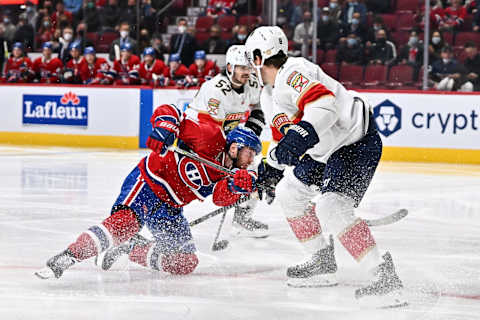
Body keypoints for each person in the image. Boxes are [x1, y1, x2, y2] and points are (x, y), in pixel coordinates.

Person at [245, 26, 406, 306]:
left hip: (354, 142)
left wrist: (301, 135)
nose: (250, 68)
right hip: (322, 151)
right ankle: (321, 260)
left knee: (332, 207)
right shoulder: (268, 95)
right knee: (289, 194)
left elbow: (324, 106)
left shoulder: (294, 71)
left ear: (260, 57)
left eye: (251, 59)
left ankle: (383, 275)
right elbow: (284, 142)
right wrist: (269, 170)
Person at [35, 105, 261, 279]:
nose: (251, 160)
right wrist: (165, 127)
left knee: (185, 262)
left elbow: (220, 197)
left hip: (171, 207)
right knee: (124, 224)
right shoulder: (208, 136)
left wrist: (235, 187)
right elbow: (172, 112)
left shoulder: (231, 172)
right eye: (249, 153)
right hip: (148, 183)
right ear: (234, 146)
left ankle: (132, 248)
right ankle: (67, 257)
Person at [186, 45, 268, 237]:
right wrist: (232, 160)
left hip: (226, 137)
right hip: (199, 140)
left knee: (253, 168)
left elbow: (259, 105)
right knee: (201, 185)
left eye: (249, 67)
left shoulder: (252, 83)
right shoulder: (215, 89)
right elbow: (212, 131)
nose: (247, 72)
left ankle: (242, 216)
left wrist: (251, 132)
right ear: (230, 67)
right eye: (242, 68)